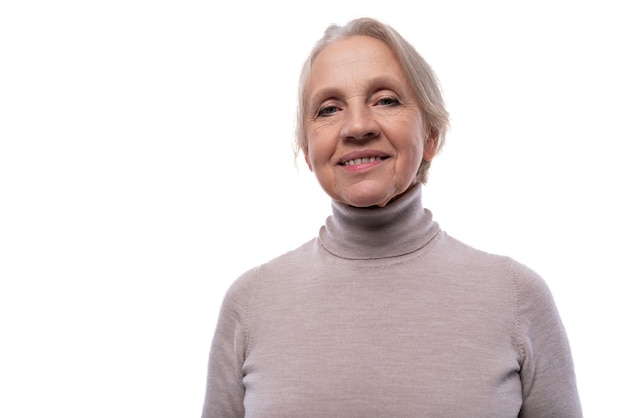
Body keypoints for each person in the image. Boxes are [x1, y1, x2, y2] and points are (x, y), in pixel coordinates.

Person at [201, 17, 582, 417]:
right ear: (308, 149)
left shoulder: (516, 297)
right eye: (329, 109)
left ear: (431, 134)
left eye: (386, 100)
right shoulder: (251, 302)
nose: (358, 126)